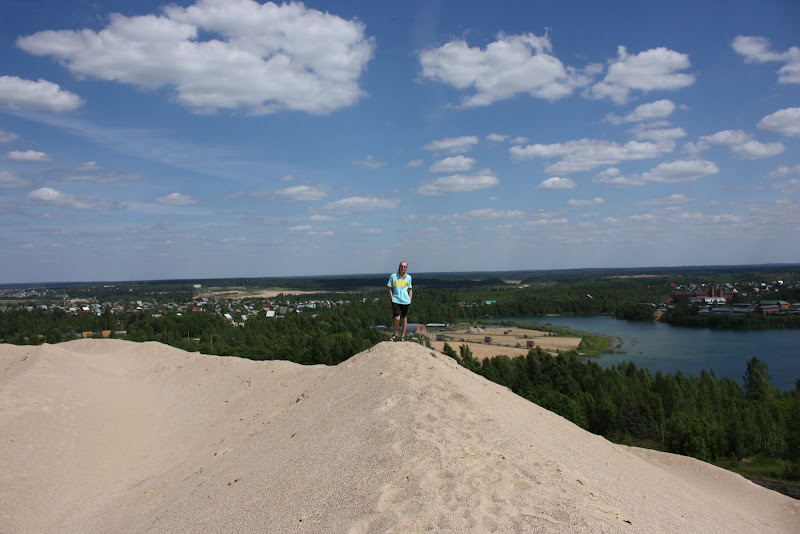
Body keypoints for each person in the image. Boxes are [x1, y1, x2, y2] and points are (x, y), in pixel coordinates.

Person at [387, 260, 412, 341]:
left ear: (406, 268)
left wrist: (410, 300)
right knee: (397, 318)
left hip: (406, 301)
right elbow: (390, 288)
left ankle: (403, 336)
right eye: (401, 266)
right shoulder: (393, 276)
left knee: (404, 318)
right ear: (399, 267)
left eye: (404, 266)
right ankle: (396, 334)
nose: (403, 268)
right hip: (396, 300)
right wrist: (392, 299)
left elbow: (410, 289)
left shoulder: (409, 277)